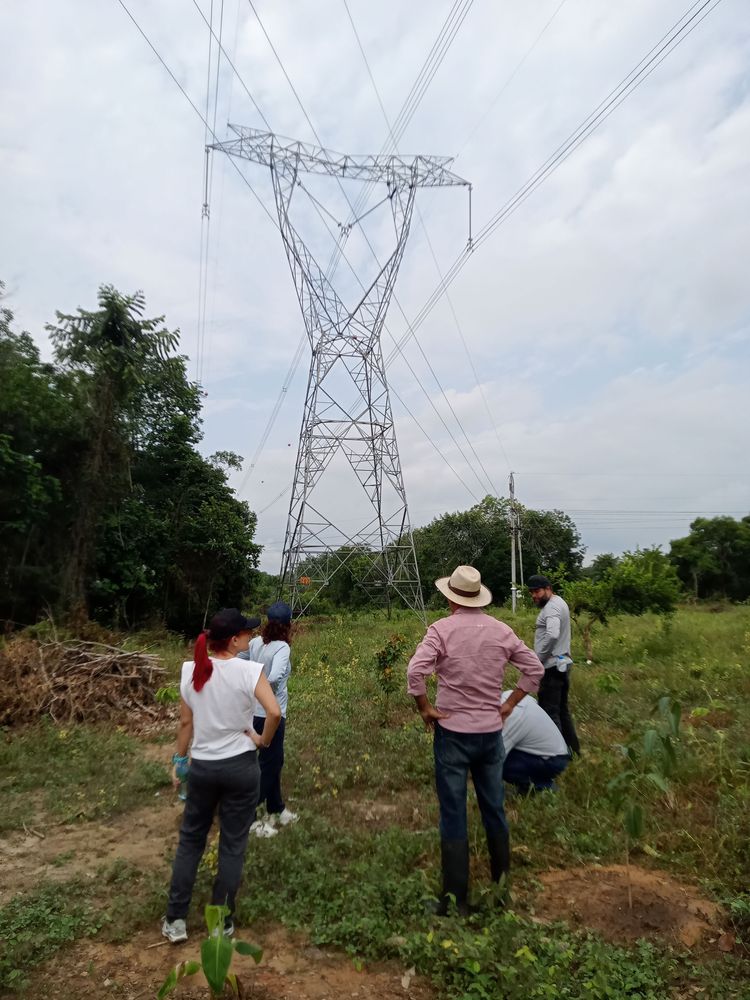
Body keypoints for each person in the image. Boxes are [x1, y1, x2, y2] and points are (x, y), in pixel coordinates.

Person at [406, 565, 544, 915]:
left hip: (452, 733)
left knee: (453, 813)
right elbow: (535, 670)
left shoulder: (441, 630)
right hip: (490, 734)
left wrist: (425, 708)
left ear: (451, 598)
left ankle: (456, 900)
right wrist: (509, 704)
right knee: (494, 809)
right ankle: (501, 891)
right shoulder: (501, 630)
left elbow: (415, 671)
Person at [162, 608, 282, 944]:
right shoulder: (249, 671)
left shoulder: (191, 669)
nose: (251, 636)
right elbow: (273, 711)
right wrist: (262, 740)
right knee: (232, 845)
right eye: (246, 632)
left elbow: (186, 723)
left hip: (203, 768)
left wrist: (179, 761)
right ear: (233, 639)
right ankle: (221, 922)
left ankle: (175, 921)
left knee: (190, 842)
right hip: (241, 768)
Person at [239, 601, 298, 837]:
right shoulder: (282, 648)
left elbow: (237, 661)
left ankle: (277, 808)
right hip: (272, 714)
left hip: (254, 713)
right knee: (270, 765)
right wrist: (260, 686)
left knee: (272, 762)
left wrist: (249, 682)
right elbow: (273, 678)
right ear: (287, 625)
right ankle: (250, 815)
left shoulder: (255, 643)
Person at [527, 574, 581, 754]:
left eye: (537, 591)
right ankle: (573, 750)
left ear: (548, 588)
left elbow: (552, 634)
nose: (534, 595)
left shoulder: (551, 608)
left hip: (551, 667)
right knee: (562, 710)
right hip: (563, 664)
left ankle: (555, 755)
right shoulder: (560, 603)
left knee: (549, 713)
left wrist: (538, 657)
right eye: (531, 592)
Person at [500, 690, 570, 792]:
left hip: (552, 759)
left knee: (498, 765)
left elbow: (496, 758)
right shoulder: (510, 696)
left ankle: (541, 786)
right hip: (556, 750)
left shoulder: (509, 717)